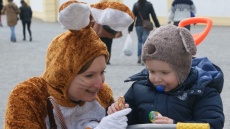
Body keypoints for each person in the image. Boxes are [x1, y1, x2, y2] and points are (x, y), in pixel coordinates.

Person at [4, 1, 134, 129]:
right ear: (63, 74)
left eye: (102, 72)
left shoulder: (102, 94)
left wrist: (115, 115)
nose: (100, 84)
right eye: (89, 75)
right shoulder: (29, 97)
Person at [108, 24, 224, 129]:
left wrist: (176, 125)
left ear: (182, 71)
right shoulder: (139, 89)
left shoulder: (200, 92)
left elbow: (213, 124)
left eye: (164, 73)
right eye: (152, 71)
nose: (157, 79)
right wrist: (118, 113)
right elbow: (125, 121)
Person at [92, 0, 122, 65]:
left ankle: (101, 59)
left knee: (101, 47)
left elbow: (93, 20)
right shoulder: (110, 12)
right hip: (109, 33)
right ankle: (107, 60)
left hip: (99, 32)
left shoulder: (98, 11)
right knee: (108, 46)